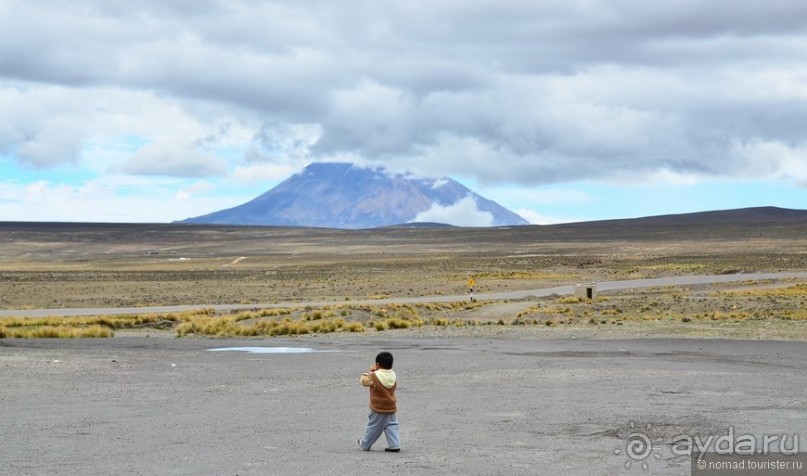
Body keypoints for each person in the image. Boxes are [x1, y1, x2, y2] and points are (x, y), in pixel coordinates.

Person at [358, 351, 401, 452]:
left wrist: (367, 373)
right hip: (391, 406)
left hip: (378, 407)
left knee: (373, 427)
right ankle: (394, 444)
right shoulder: (393, 375)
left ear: (378, 365)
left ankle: (365, 443)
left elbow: (364, 381)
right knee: (391, 425)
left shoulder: (374, 376)